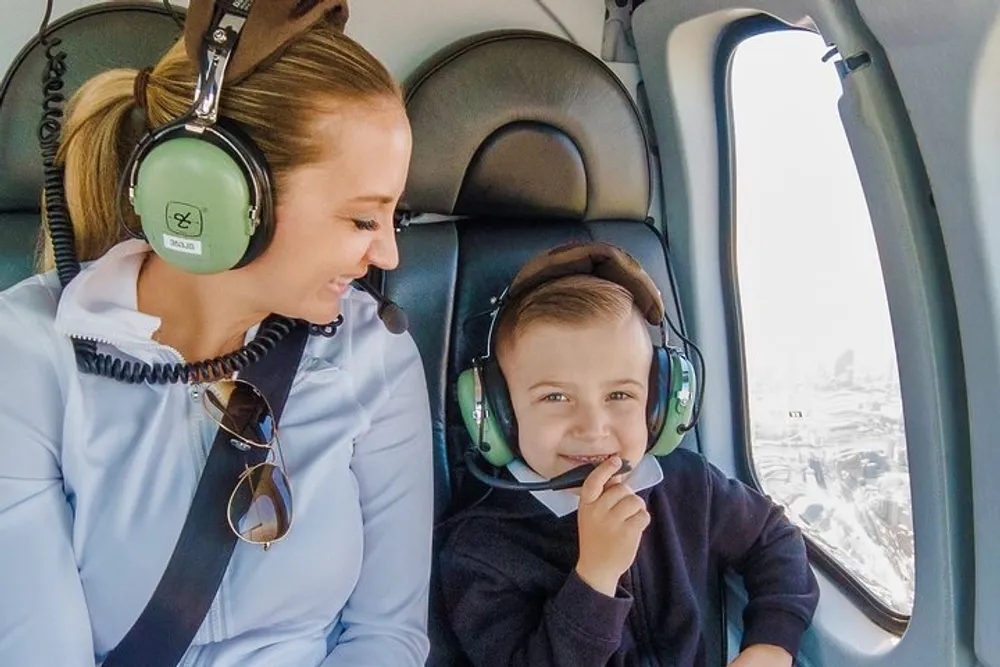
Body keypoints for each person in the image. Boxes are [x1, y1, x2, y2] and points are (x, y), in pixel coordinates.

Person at [0, 2, 433, 666]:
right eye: (360, 219)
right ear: (217, 193)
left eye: (392, 216)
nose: (389, 257)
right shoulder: (29, 353)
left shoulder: (376, 353)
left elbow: (389, 633)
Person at [439, 242, 819, 667]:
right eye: (555, 396)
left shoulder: (688, 485)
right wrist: (595, 578)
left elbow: (774, 538)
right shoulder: (481, 547)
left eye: (620, 394)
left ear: (659, 407)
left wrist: (771, 645)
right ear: (497, 412)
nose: (593, 427)